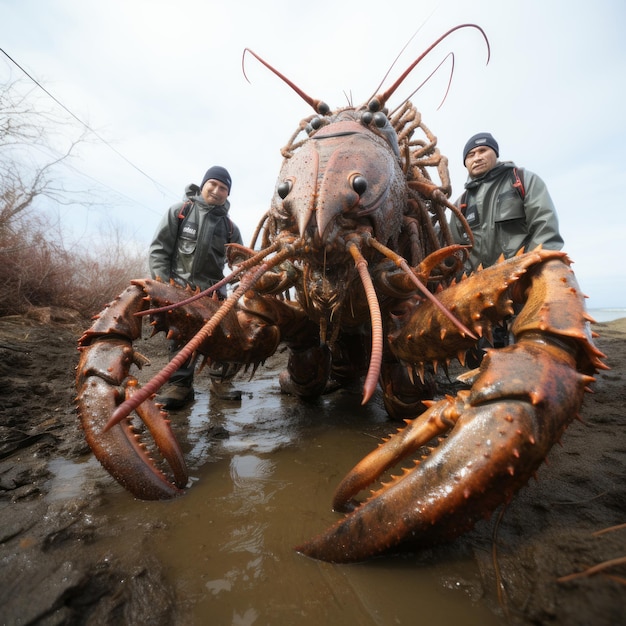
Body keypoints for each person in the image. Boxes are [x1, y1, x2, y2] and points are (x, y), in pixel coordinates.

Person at [449, 132, 564, 360]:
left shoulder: (522, 180)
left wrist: (529, 274)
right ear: (465, 163)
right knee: (480, 359)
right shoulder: (459, 204)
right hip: (479, 294)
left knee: (531, 353)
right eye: (470, 155)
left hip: (521, 285)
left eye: (483, 151)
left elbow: (545, 227)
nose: (477, 157)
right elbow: (452, 252)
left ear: (495, 153)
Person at [149, 165, 244, 408]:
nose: (217, 190)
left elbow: (243, 263)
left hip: (215, 295)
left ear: (227, 194)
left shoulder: (231, 228)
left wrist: (251, 276)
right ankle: (180, 386)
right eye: (213, 184)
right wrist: (162, 289)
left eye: (223, 188)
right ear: (203, 185)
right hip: (180, 290)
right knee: (180, 337)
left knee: (224, 337)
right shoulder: (179, 212)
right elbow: (159, 251)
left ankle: (220, 382)